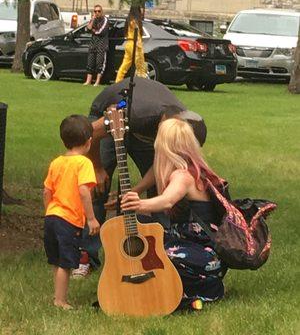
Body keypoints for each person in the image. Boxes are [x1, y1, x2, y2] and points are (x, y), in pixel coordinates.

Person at [71, 77, 207, 277]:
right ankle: (86, 257)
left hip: (145, 130)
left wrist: (135, 191)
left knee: (163, 186)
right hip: (110, 119)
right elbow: (90, 134)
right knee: (96, 188)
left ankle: (162, 254)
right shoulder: (133, 112)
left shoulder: (183, 124)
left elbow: (161, 169)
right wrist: (97, 168)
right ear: (163, 129)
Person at [121, 118, 228, 309]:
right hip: (197, 246)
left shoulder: (183, 176)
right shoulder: (196, 170)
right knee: (144, 227)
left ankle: (202, 290)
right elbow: (156, 177)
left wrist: (138, 203)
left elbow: (167, 200)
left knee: (159, 257)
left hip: (206, 255)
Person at [43, 115, 100, 309]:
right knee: (66, 263)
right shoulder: (84, 163)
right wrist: (91, 218)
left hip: (52, 216)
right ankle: (60, 301)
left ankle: (57, 295)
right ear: (89, 142)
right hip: (69, 220)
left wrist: (49, 211)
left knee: (57, 260)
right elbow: (84, 191)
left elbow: (46, 191)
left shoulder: (56, 162)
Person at [115, 6, 148, 82]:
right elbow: (138, 35)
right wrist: (139, 47)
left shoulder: (128, 20)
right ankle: (142, 83)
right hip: (135, 45)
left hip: (128, 44)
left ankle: (118, 81)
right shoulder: (135, 21)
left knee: (124, 66)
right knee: (140, 67)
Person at [83, 5, 109, 86]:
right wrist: (92, 19)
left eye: (98, 11)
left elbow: (100, 32)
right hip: (93, 44)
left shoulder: (105, 20)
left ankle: (97, 82)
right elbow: (87, 29)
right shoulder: (93, 19)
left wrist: (93, 30)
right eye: (95, 11)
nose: (97, 13)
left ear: (102, 12)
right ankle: (88, 81)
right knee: (90, 63)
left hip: (102, 45)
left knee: (99, 64)